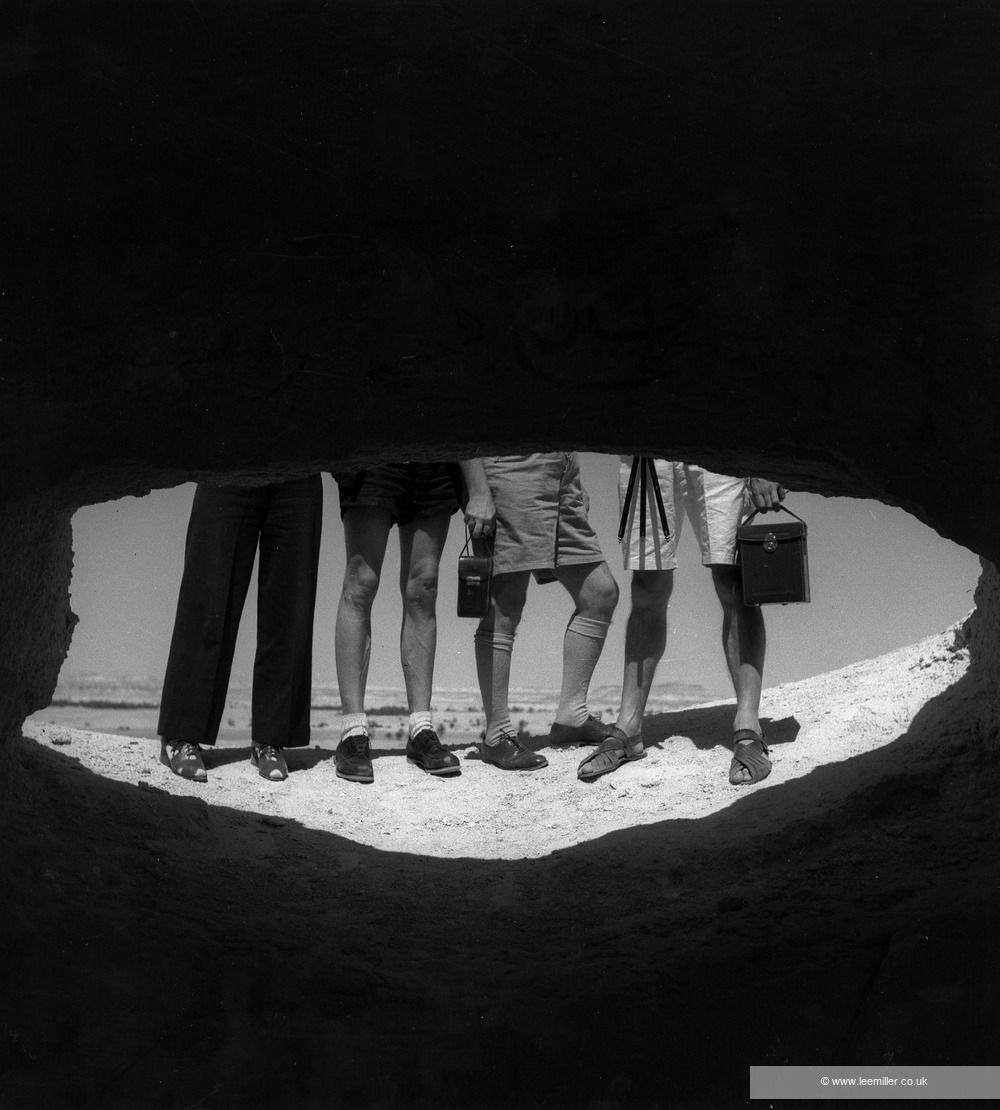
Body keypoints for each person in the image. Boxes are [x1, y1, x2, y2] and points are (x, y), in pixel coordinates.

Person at [577, 460, 784, 785]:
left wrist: (760, 461)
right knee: (646, 585)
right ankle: (628, 729)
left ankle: (748, 726)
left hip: (721, 442)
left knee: (733, 577)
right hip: (648, 451)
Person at [333, 460, 495, 784]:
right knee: (361, 582)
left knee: (424, 586)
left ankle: (421, 729)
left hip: (433, 461)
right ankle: (352, 733)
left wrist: (477, 487)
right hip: (375, 457)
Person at [158, 475, 324, 783]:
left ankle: (270, 739)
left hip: (300, 461)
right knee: (209, 591)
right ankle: (181, 734)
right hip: (230, 457)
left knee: (288, 603)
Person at [474, 453, 619, 771]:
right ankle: (497, 734)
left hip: (560, 470)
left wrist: (572, 476)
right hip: (512, 468)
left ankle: (572, 718)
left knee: (600, 593)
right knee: (504, 606)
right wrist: (477, 489)